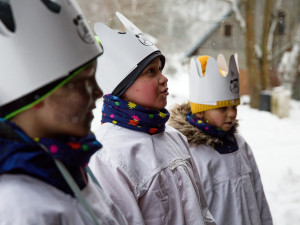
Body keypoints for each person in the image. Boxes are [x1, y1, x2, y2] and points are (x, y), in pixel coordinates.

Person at [0, 1, 127, 224]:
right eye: (82, 83)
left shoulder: (71, 163)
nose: (98, 92)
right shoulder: (17, 206)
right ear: (36, 96)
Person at [89, 12, 215, 225]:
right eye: (151, 71)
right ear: (122, 86)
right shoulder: (107, 154)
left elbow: (202, 213)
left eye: (161, 69)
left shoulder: (175, 138)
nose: (164, 78)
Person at [168, 54, 273, 225]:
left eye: (234, 106)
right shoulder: (191, 153)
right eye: (223, 108)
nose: (232, 113)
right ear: (200, 111)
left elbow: (258, 195)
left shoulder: (241, 145)